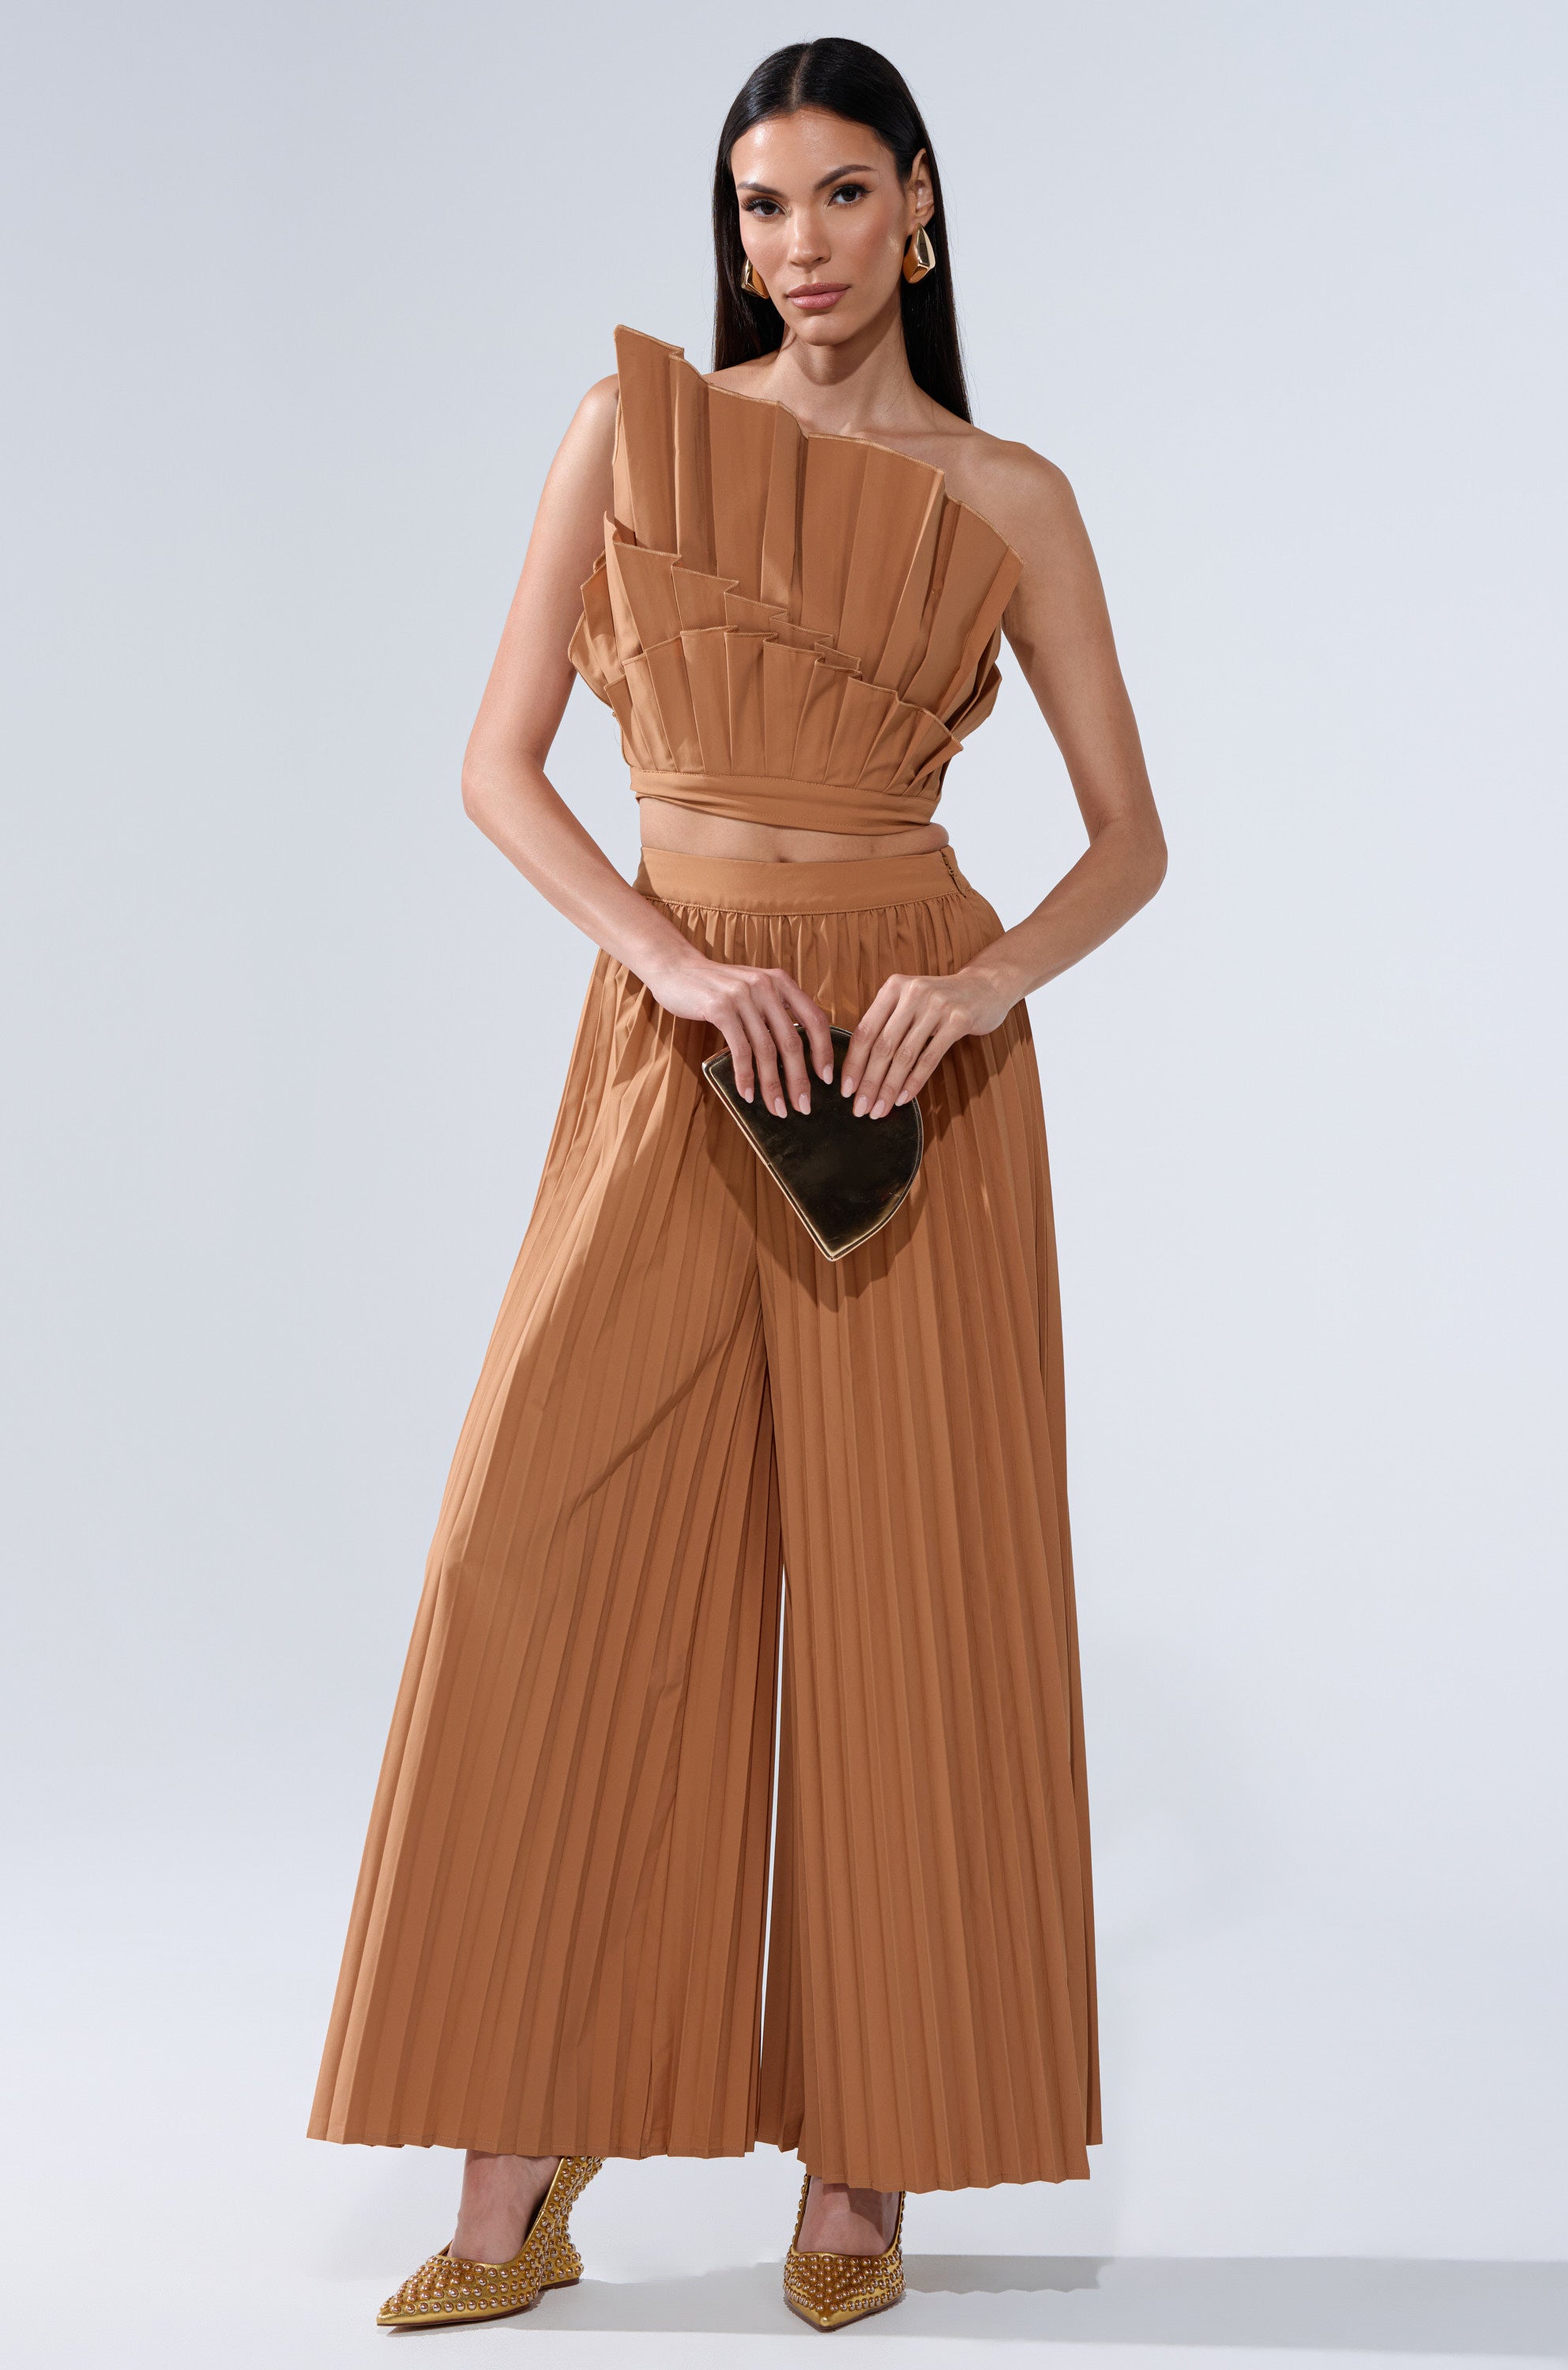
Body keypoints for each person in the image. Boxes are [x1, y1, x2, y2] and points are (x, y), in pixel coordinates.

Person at [308, 35, 1167, 2338]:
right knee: (532, 1547)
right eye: (755, 205)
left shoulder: (1009, 493)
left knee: (910, 1604)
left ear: (921, 212)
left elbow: (1129, 838)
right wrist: (675, 962)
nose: (792, 245)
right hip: (677, 1041)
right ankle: (524, 2138)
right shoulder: (633, 436)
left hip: (911, 1063)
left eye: (834, 195)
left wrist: (978, 988)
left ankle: (867, 2162)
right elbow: (497, 768)